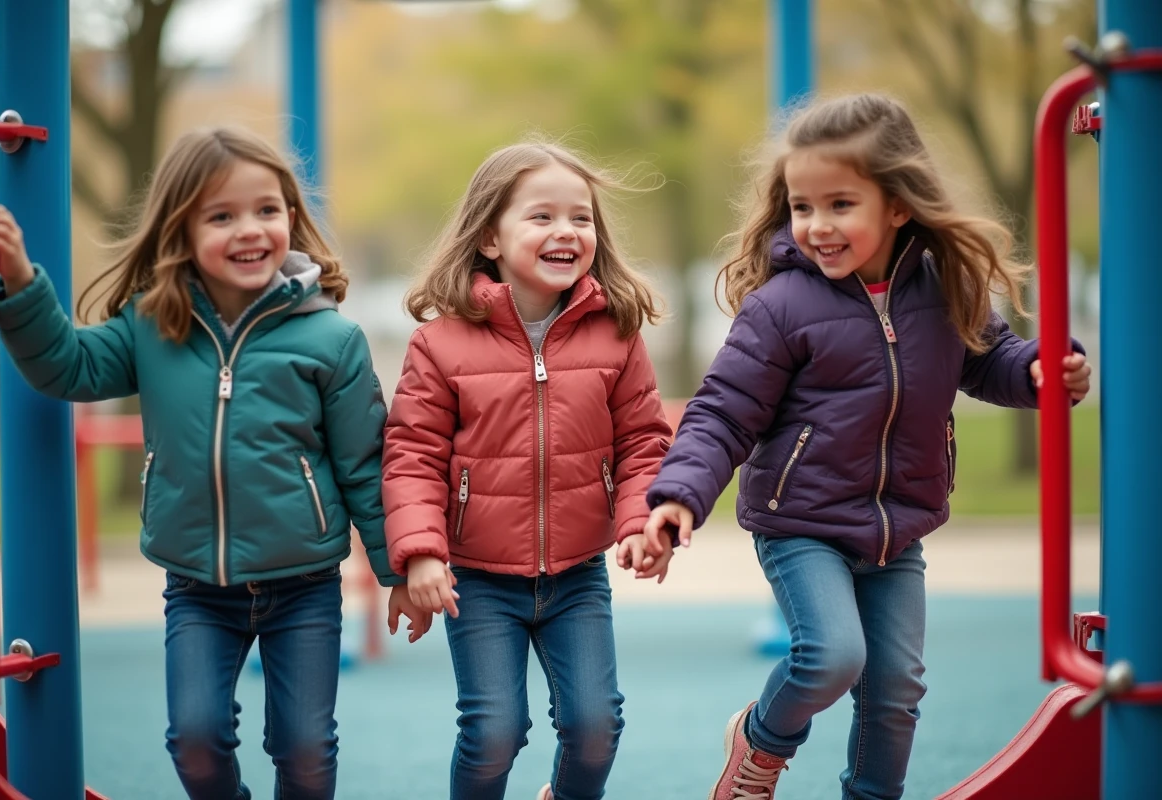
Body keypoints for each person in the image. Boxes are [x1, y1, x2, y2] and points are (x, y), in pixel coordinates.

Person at [641, 94, 1091, 800]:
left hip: (896, 525)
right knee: (832, 656)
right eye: (802, 206)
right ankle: (759, 746)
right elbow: (723, 412)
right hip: (802, 526)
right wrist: (679, 497)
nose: (817, 226)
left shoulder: (949, 291)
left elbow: (989, 361)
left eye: (841, 205)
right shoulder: (782, 306)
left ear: (899, 205)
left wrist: (1038, 371)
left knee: (897, 686)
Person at [0, 126, 427, 800]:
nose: (250, 230)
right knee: (193, 738)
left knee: (305, 750)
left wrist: (396, 568)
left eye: (266, 210)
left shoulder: (330, 338)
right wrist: (19, 282)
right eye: (222, 216)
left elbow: (365, 463)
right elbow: (67, 367)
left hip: (302, 583)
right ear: (181, 230)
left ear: (291, 219)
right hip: (196, 587)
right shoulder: (154, 326)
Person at [381, 140, 674, 800]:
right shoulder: (441, 342)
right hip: (479, 580)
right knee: (494, 731)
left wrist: (638, 521)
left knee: (596, 725)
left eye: (581, 218)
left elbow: (644, 443)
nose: (566, 231)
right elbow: (411, 457)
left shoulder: (617, 333)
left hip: (577, 575)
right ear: (490, 234)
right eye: (541, 217)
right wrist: (422, 554)